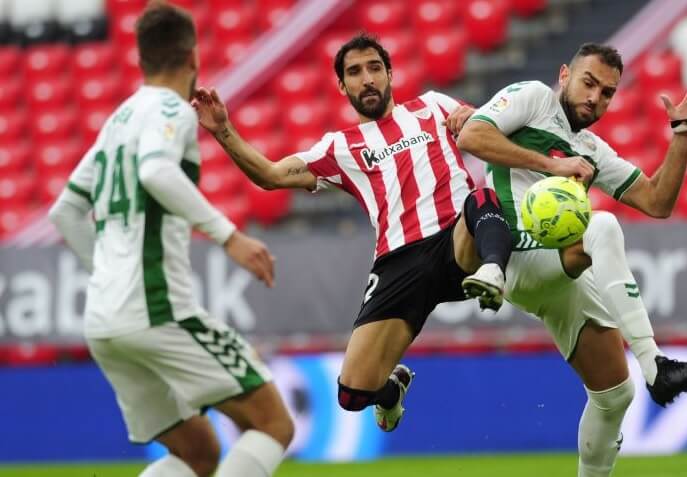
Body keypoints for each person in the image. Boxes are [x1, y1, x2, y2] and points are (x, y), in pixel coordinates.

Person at [192, 33, 589, 432]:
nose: (366, 79)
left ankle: (493, 270)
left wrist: (470, 116)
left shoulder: (434, 106)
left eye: (374, 68)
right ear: (342, 86)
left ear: (390, 74)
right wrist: (223, 131)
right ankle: (390, 392)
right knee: (352, 394)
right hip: (399, 263)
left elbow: (483, 126)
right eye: (354, 72)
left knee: (481, 197)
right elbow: (270, 174)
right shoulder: (339, 148)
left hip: (457, 240)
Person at [48, 4, 294, 477]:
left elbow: (66, 212)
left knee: (197, 452)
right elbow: (156, 171)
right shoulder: (171, 111)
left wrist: (106, 274)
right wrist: (229, 237)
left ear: (140, 60)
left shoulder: (116, 122)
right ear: (192, 56)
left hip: (103, 320)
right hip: (156, 309)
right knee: (273, 423)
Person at [457, 43, 687, 477]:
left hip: (560, 271)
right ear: (565, 75)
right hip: (513, 252)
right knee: (602, 227)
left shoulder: (593, 149)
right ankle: (656, 364)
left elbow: (656, 202)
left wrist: (683, 136)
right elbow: (472, 136)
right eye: (588, 82)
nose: (595, 97)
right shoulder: (533, 98)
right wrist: (550, 166)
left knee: (615, 395)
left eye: (607, 92)